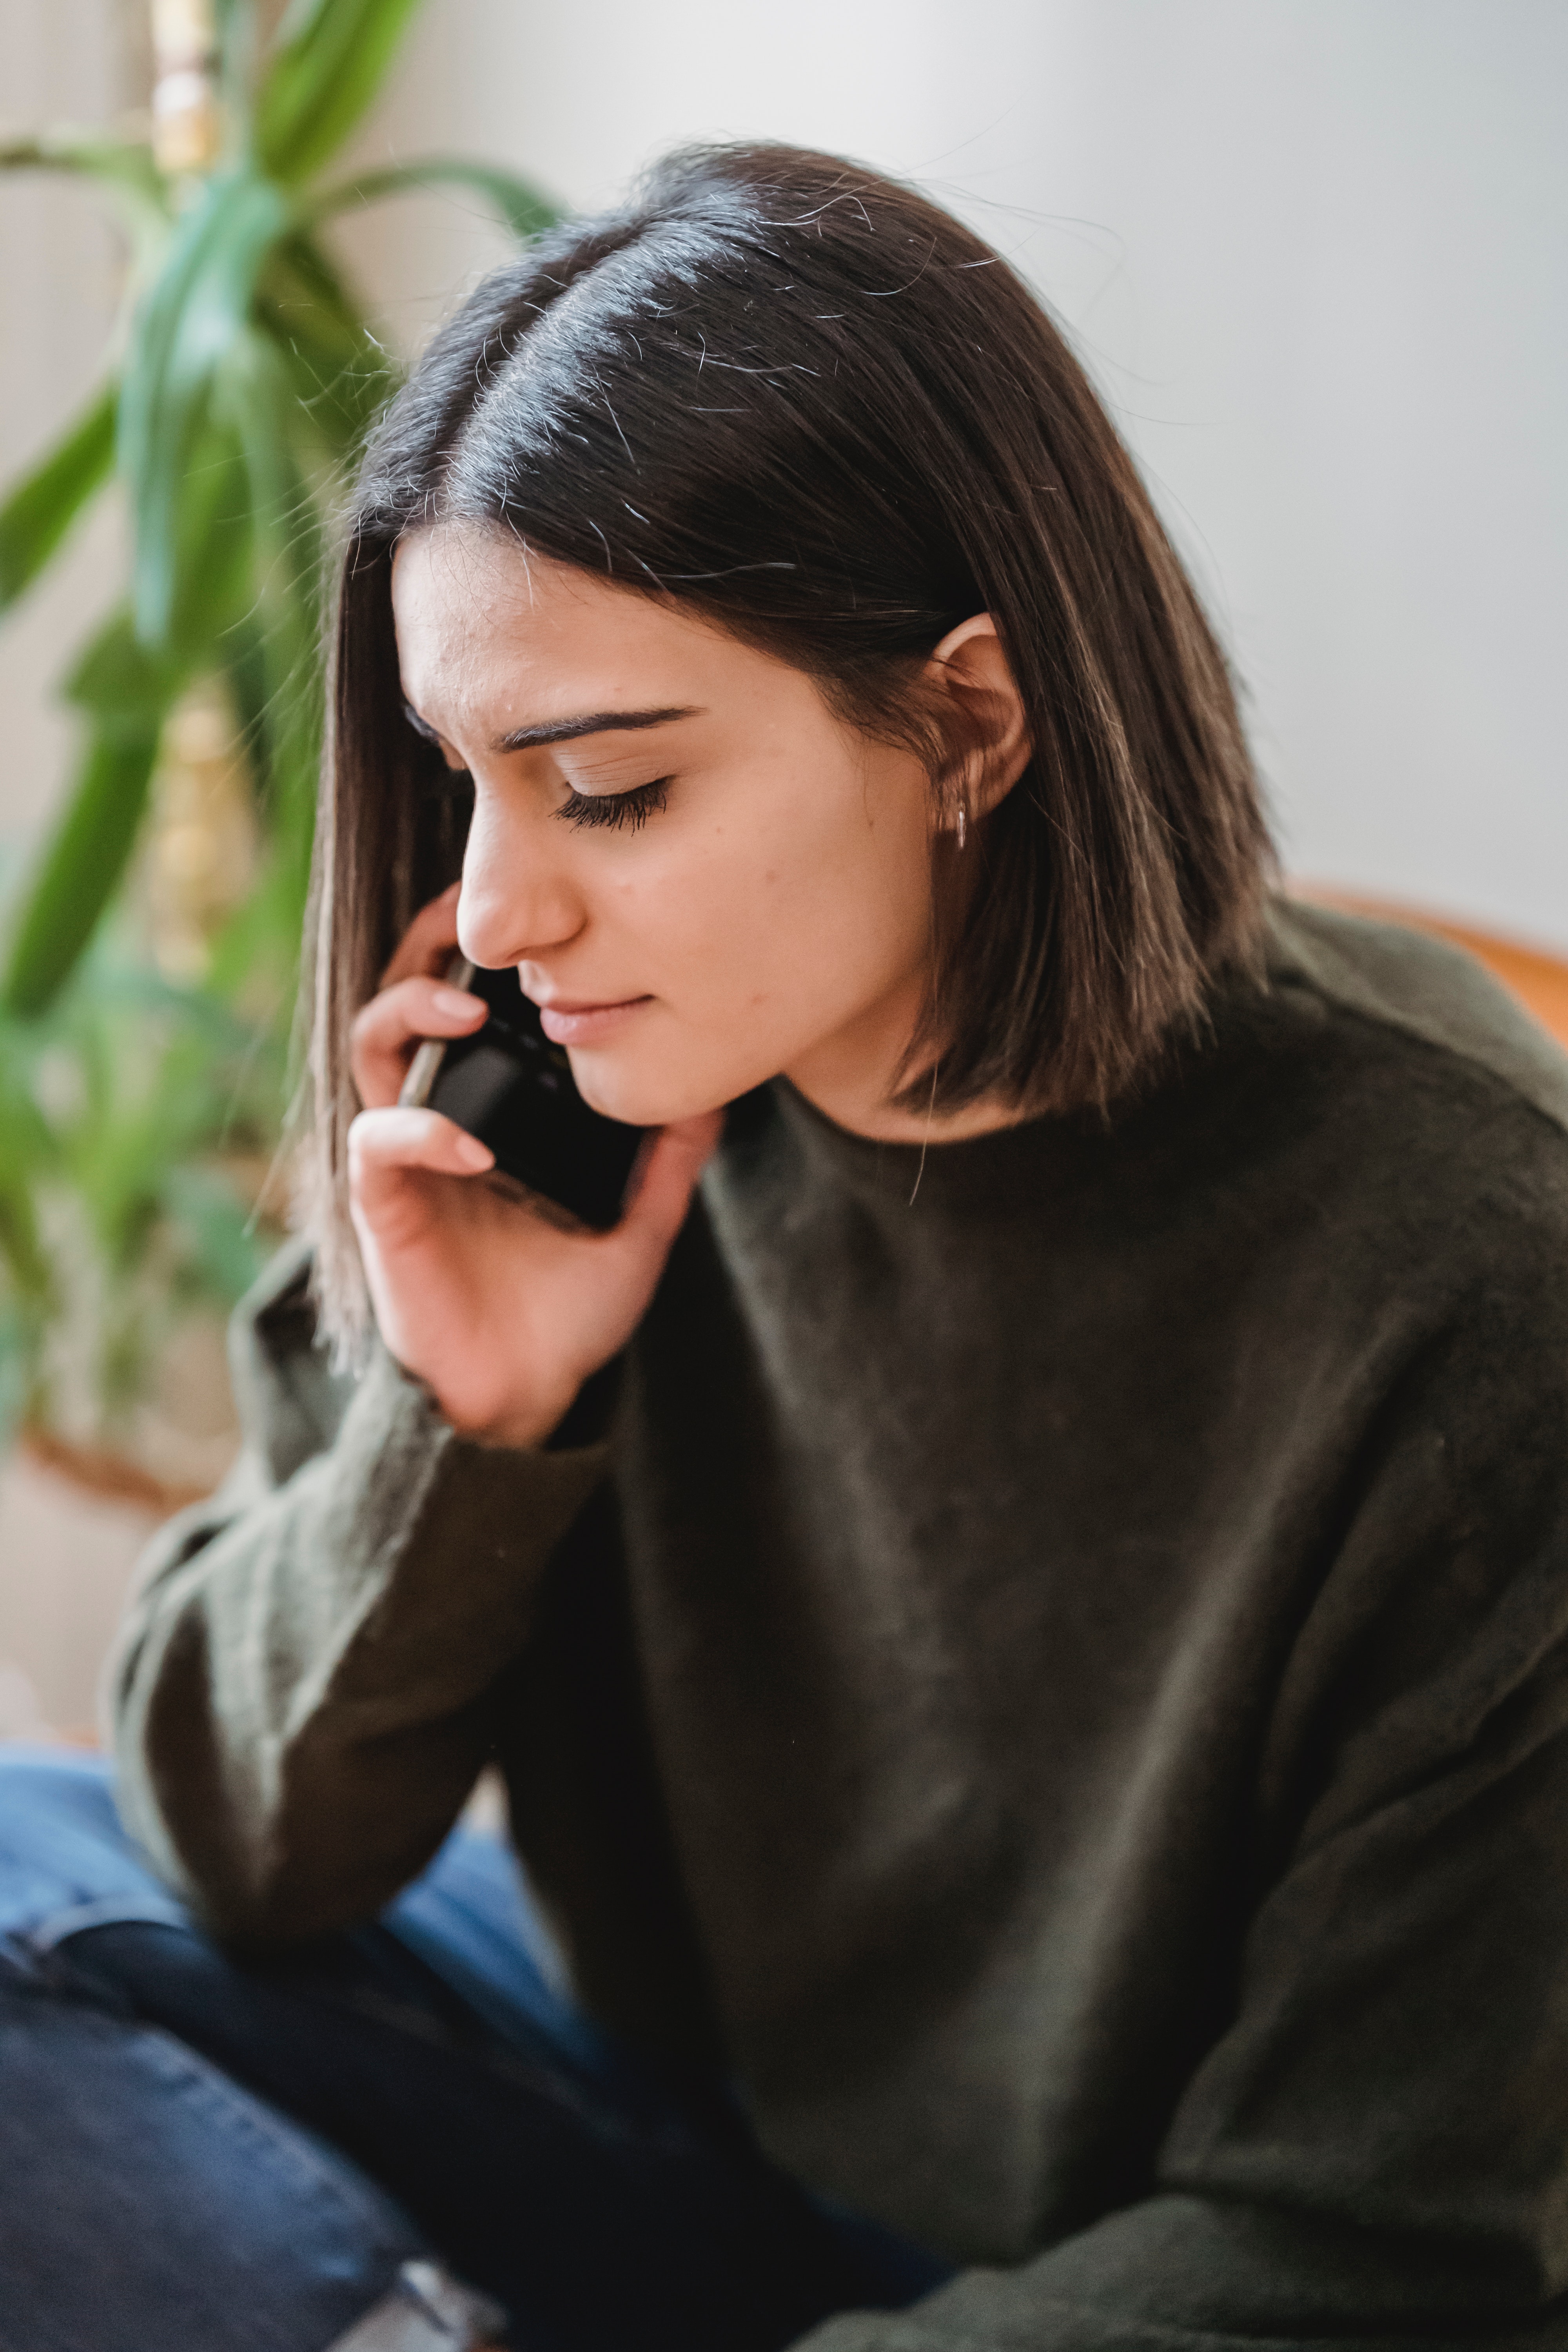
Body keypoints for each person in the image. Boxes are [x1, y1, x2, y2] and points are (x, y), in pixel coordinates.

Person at [4, 138, 1568, 2352]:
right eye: (467, 777)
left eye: (612, 788)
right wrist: (470, 1416)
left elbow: (1386, 2256)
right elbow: (242, 1849)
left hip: (1127, 2279)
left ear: (970, 724)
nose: (510, 910)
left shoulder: (1477, 1272)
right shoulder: (577, 1096)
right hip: (668, 2117)